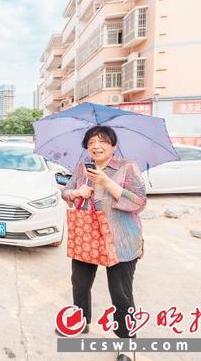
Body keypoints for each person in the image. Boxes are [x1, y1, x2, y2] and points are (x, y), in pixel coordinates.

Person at [58, 125, 146, 361]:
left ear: (113, 146)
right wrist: (77, 192)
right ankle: (80, 321)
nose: (96, 146)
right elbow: (65, 192)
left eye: (102, 141)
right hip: (87, 236)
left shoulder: (127, 167)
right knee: (80, 282)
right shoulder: (81, 168)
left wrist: (107, 183)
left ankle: (127, 342)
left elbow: (139, 202)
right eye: (91, 142)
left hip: (121, 240)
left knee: (121, 293)